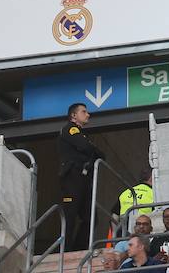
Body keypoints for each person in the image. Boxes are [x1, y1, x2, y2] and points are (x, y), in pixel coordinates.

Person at [59, 102, 104, 250]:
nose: (88, 114)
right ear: (73, 115)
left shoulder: (82, 134)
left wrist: (93, 151)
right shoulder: (70, 129)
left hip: (84, 180)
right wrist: (93, 150)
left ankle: (79, 248)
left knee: (91, 217)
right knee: (70, 216)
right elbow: (85, 147)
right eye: (84, 112)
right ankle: (65, 250)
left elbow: (99, 154)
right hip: (72, 179)